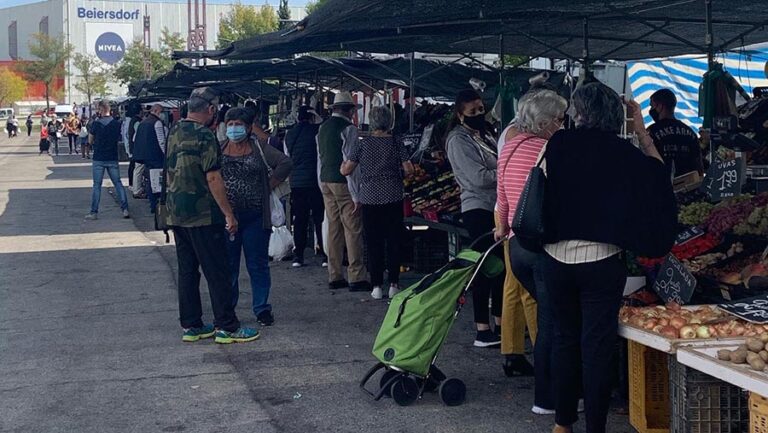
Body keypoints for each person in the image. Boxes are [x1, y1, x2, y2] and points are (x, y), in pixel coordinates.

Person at [541, 82, 675, 433]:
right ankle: (595, 427)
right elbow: (660, 180)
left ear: (578, 111)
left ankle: (562, 423)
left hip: (556, 258)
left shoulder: (559, 144)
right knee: (597, 347)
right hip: (601, 262)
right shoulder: (623, 153)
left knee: (564, 339)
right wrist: (642, 133)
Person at [165, 87, 258, 344]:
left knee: (187, 271)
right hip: (203, 214)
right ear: (210, 110)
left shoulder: (175, 131)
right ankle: (227, 326)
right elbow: (214, 177)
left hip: (176, 212)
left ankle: (192, 324)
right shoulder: (205, 136)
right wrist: (229, 214)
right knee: (217, 271)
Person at [495, 89, 568, 411]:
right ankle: (549, 397)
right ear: (544, 123)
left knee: (547, 316)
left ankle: (551, 391)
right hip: (542, 246)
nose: (563, 124)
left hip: (515, 244)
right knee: (553, 323)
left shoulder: (509, 147)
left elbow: (502, 197)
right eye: (560, 119)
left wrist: (502, 229)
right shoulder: (549, 149)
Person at [220, 107, 292, 327]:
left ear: (249, 127)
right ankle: (227, 310)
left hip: (256, 217)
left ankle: (261, 308)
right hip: (228, 218)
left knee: (257, 264)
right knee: (228, 266)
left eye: (238, 124)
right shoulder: (219, 149)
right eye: (230, 124)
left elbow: (285, 163)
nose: (233, 128)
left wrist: (268, 185)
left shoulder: (259, 149)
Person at [445, 89, 503, 348]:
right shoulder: (458, 140)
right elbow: (478, 177)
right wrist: (504, 171)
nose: (479, 114)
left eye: (481, 109)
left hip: (495, 207)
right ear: (460, 115)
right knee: (484, 267)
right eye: (473, 112)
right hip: (477, 209)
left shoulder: (485, 134)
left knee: (500, 268)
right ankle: (482, 328)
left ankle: (501, 323)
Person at [341, 106, 413, 299]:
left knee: (373, 242)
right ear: (389, 122)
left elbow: (346, 170)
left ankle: (376, 286)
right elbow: (409, 169)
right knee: (393, 240)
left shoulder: (362, 144)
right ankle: (394, 284)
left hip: (370, 198)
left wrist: (342, 164)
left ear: (371, 122)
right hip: (393, 196)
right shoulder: (396, 142)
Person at [317, 91, 370, 292]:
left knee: (334, 228)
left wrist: (320, 182)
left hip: (325, 181)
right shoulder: (349, 129)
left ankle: (335, 274)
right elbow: (351, 163)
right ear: (349, 110)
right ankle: (356, 276)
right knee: (353, 229)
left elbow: (320, 159)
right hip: (343, 182)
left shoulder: (322, 128)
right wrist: (357, 195)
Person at [285, 106, 327, 268]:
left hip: (297, 183)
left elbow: (287, 158)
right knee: (319, 219)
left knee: (300, 219)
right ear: (311, 117)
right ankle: (324, 254)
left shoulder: (290, 134)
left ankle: (299, 256)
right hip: (316, 182)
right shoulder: (317, 131)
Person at [85, 101, 130, 220]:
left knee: (97, 185)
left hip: (99, 157)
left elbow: (90, 141)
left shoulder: (95, 124)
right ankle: (125, 209)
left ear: (100, 110)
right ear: (110, 110)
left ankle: (94, 212)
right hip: (112, 157)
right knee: (118, 183)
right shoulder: (116, 124)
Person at [647, 88, 704, 176]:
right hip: (688, 186)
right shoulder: (690, 133)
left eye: (652, 106)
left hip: (660, 185)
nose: (651, 110)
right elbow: (699, 168)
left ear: (660, 106)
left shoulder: (651, 132)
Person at [133, 104, 168, 213]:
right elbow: (161, 141)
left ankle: (152, 205)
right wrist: (166, 155)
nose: (163, 114)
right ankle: (157, 206)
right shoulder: (157, 123)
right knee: (158, 183)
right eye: (162, 111)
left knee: (150, 181)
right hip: (156, 157)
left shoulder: (143, 123)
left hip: (145, 156)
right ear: (156, 111)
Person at [122, 102, 142, 193]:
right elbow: (138, 134)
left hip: (131, 146)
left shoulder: (129, 120)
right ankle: (134, 185)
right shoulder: (136, 121)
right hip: (135, 147)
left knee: (133, 166)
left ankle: (132, 184)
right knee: (135, 167)